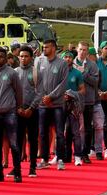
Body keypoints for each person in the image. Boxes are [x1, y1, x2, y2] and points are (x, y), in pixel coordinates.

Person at [0, 46, 23, 183]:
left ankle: (17, 172)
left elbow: (18, 92)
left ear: (6, 59)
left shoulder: (12, 73)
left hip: (9, 113)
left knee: (13, 143)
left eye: (1, 57)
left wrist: (18, 107)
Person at [36, 40, 68, 170]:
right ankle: (44, 159)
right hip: (43, 105)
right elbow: (37, 81)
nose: (44, 49)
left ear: (54, 48)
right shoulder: (40, 62)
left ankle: (60, 158)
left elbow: (63, 83)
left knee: (60, 133)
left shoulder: (62, 63)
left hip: (57, 105)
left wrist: (51, 96)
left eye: (47, 47)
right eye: (43, 47)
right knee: (43, 133)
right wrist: (44, 97)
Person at [14, 46, 41, 178]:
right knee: (17, 140)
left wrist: (31, 108)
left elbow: (40, 92)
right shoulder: (14, 72)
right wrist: (18, 108)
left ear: (31, 58)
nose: (23, 58)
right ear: (18, 57)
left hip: (33, 111)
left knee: (33, 139)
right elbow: (11, 92)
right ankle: (16, 167)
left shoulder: (36, 72)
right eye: (21, 56)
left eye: (26, 56)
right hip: (17, 112)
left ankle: (32, 167)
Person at [73, 41, 99, 164]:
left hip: (88, 99)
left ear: (87, 52)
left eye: (84, 50)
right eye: (80, 49)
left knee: (88, 128)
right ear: (77, 50)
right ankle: (71, 153)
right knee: (73, 128)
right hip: (73, 100)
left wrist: (84, 73)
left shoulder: (92, 65)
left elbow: (95, 81)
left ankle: (85, 153)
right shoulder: (70, 63)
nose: (82, 52)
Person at [62, 51, 86, 166]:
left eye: (69, 57)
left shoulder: (77, 73)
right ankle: (61, 156)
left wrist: (72, 94)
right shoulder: (58, 73)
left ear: (72, 59)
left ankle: (77, 156)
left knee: (76, 132)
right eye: (65, 57)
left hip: (73, 105)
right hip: (60, 104)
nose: (67, 59)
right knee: (60, 132)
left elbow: (82, 90)